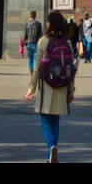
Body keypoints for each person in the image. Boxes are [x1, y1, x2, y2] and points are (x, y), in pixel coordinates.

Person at [25, 9, 77, 163]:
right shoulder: (67, 42)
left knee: (45, 120)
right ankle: (52, 152)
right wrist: (71, 92)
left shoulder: (43, 41)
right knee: (55, 120)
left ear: (50, 24)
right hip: (62, 85)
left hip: (46, 86)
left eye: (48, 21)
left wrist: (30, 89)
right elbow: (71, 68)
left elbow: (36, 68)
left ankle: (51, 147)